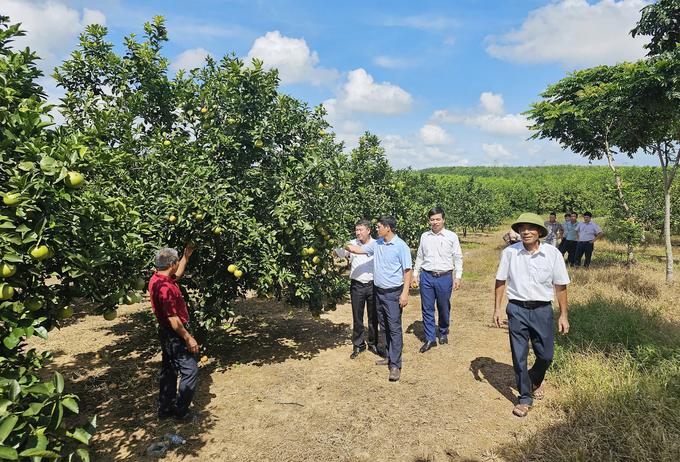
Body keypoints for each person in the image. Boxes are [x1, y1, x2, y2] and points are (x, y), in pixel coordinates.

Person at [493, 213, 569, 418]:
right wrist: (498, 309)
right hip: (516, 309)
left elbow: (560, 285)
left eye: (530, 228)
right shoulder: (509, 253)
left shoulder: (552, 254)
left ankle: (534, 378)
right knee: (519, 356)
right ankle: (525, 398)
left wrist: (564, 315)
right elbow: (500, 280)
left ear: (539, 232)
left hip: (543, 310)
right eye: (522, 228)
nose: (526, 232)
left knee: (546, 355)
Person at [344, 214, 412, 382]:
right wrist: (339, 243)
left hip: (393, 293)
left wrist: (405, 293)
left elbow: (407, 270)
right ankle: (389, 357)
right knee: (385, 327)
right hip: (378, 292)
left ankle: (396, 365)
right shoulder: (378, 244)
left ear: (387, 228)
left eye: (379, 226)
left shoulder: (400, 246)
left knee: (394, 328)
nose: (376, 228)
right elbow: (356, 249)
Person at [149, 246, 199, 421]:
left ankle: (165, 409)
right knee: (190, 370)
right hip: (173, 333)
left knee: (169, 371)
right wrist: (188, 337)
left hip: (165, 333)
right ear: (171, 263)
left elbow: (176, 275)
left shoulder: (157, 279)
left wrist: (185, 256)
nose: (178, 264)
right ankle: (181, 411)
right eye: (177, 261)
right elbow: (173, 319)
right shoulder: (166, 289)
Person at [412, 207, 463, 353]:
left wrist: (458, 277)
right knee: (427, 308)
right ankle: (430, 338)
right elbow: (420, 256)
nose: (435, 222)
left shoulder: (451, 236)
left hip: (444, 276)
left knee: (443, 307)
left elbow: (458, 257)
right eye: (432, 220)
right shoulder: (424, 236)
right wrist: (415, 274)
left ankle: (442, 331)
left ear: (443, 220)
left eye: (438, 219)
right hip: (427, 276)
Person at [333, 219, 385, 359]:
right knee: (357, 317)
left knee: (373, 316)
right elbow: (336, 253)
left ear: (368, 231)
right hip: (357, 286)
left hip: (373, 285)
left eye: (361, 230)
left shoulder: (377, 244)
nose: (358, 233)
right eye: (356, 230)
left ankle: (373, 344)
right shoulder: (351, 243)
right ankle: (358, 345)